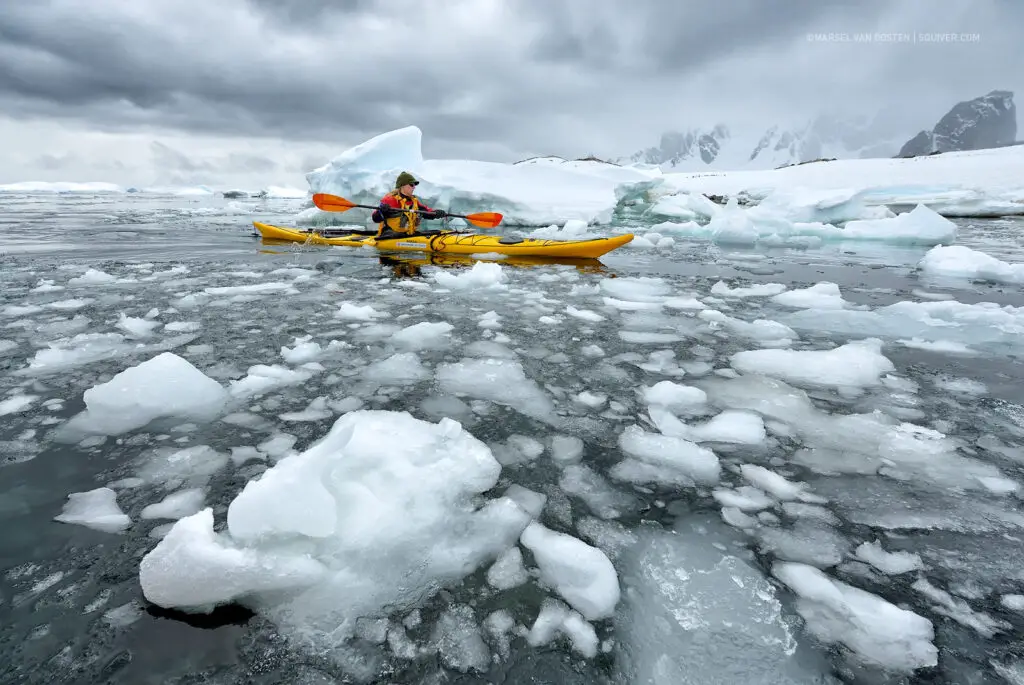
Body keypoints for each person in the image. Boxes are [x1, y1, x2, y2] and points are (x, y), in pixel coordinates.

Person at [371, 171, 446, 239]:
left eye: (414, 185)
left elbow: (426, 212)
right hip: (389, 237)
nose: (414, 187)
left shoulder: (414, 202)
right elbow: (375, 218)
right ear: (402, 186)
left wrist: (436, 213)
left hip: (408, 236)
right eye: (411, 185)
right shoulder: (390, 200)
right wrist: (382, 211)